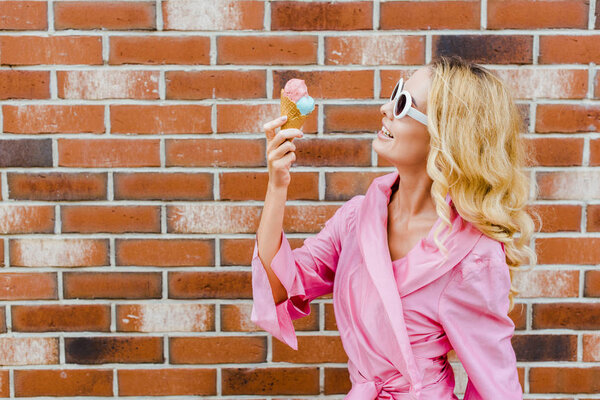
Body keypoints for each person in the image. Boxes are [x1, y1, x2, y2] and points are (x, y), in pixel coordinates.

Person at [250, 55, 539, 399]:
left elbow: (496, 386)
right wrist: (277, 186)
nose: (386, 108)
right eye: (395, 93)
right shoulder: (359, 218)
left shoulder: (474, 255)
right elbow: (280, 287)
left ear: (446, 135)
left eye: (403, 104)